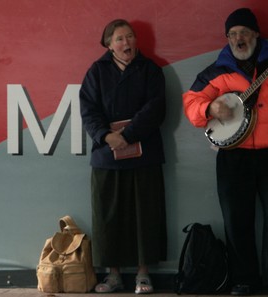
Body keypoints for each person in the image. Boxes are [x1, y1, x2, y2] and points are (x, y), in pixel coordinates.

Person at [183, 8, 268, 297]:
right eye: (233, 34)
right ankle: (244, 279)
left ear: (256, 34)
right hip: (233, 156)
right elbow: (191, 104)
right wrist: (209, 108)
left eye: (244, 32)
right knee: (237, 219)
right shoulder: (216, 71)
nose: (239, 39)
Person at [79, 19, 167, 294]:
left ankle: (144, 274)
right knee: (109, 215)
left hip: (144, 152)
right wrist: (107, 136)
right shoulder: (96, 71)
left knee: (146, 214)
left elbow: (156, 108)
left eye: (130, 37)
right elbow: (88, 110)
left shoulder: (150, 69)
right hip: (107, 154)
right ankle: (113, 275)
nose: (126, 43)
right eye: (119, 39)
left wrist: (127, 135)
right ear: (108, 44)